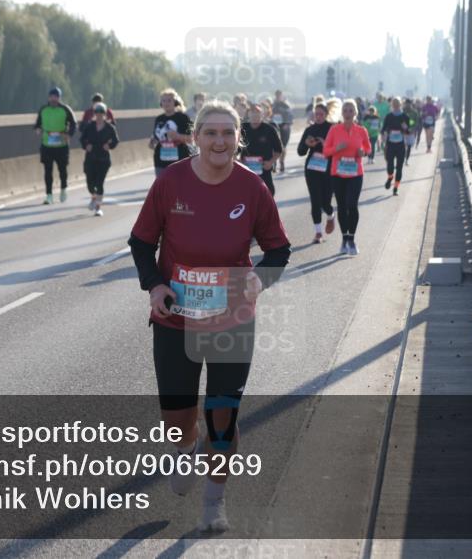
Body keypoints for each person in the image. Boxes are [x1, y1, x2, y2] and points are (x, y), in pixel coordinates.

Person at [128, 100, 291, 532]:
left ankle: (214, 501)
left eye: (227, 134)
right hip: (175, 319)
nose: (219, 141)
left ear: (239, 140)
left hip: (231, 317)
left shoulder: (253, 188)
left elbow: (279, 249)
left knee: (224, 412)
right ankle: (185, 448)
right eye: (211, 133)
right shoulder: (171, 182)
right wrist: (155, 285)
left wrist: (259, 280)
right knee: (177, 421)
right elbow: (141, 243)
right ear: (196, 137)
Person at [322, 99, 370, 255]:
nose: (348, 113)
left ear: (355, 113)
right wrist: (337, 148)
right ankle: (344, 239)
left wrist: (363, 151)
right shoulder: (334, 130)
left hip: (355, 173)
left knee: (352, 204)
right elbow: (326, 151)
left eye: (351, 111)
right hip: (338, 173)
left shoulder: (361, 130)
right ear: (342, 113)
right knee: (342, 206)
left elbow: (368, 148)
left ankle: (352, 239)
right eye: (345, 111)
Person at [297, 102, 337, 243]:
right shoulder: (310, 130)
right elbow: (300, 152)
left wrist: (326, 145)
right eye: (316, 114)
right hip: (312, 169)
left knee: (325, 202)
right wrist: (307, 145)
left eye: (321, 114)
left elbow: (339, 150)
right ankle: (318, 233)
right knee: (315, 201)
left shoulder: (332, 128)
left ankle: (331, 215)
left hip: (329, 169)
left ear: (326, 115)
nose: (318, 116)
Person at [33, 87, 77, 204]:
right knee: (48, 171)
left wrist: (69, 134)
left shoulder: (65, 109)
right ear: (49, 97)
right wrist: (37, 129)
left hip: (61, 145)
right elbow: (37, 124)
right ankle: (49, 195)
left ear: (59, 98)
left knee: (62, 170)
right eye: (51, 96)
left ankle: (63, 189)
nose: (53, 99)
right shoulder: (44, 109)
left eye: (56, 96)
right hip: (47, 144)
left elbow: (73, 124)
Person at [80, 102, 119, 216]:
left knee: (99, 183)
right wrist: (86, 146)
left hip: (103, 159)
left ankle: (98, 207)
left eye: (101, 112)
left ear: (105, 114)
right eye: (97, 112)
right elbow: (82, 139)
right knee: (90, 183)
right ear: (94, 114)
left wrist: (109, 146)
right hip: (90, 158)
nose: (99, 115)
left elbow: (116, 140)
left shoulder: (109, 127)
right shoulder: (89, 126)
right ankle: (93, 196)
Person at [239, 103, 284, 196]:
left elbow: (279, 150)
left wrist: (271, 162)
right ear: (248, 114)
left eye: (258, 113)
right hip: (247, 169)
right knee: (247, 195)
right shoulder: (242, 128)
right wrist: (238, 161)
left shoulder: (269, 129)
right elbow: (234, 148)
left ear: (262, 115)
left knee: (268, 193)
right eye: (252, 112)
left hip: (264, 168)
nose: (255, 115)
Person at [150, 89, 193, 177]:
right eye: (164, 100)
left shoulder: (183, 118)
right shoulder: (159, 119)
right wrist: (152, 142)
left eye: (169, 100)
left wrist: (178, 136)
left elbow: (192, 138)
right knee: (163, 189)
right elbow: (156, 137)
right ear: (161, 103)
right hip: (160, 161)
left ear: (175, 102)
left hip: (180, 160)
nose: (166, 103)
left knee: (180, 188)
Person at [381, 97, 411, 196]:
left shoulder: (405, 116)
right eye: (394, 103)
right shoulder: (388, 116)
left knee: (399, 168)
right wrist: (384, 134)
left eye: (397, 103)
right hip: (390, 144)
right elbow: (383, 129)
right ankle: (390, 178)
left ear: (400, 105)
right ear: (392, 105)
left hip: (401, 145)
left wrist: (406, 128)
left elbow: (409, 128)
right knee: (390, 165)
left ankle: (396, 188)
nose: (396, 105)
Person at [271, 90, 293, 172]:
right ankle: (274, 163)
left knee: (283, 146)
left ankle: (282, 162)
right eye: (276, 95)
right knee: (274, 146)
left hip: (284, 127)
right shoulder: (272, 104)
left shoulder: (286, 105)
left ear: (281, 95)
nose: (278, 97)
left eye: (279, 95)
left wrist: (287, 124)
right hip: (274, 126)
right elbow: (268, 113)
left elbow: (290, 115)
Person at [403, 99, 419, 165]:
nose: (407, 105)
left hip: (411, 131)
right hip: (403, 131)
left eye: (409, 103)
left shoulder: (414, 112)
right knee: (403, 146)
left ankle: (407, 159)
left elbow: (416, 122)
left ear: (411, 104)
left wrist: (412, 128)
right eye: (406, 103)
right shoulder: (402, 111)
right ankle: (403, 157)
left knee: (409, 146)